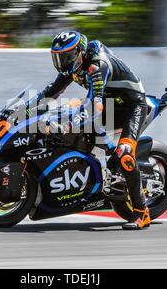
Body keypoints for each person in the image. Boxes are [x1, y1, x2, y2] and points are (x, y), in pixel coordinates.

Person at [35, 30, 150, 230]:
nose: (62, 62)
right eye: (58, 57)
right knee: (64, 114)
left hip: (132, 105)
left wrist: (69, 125)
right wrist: (24, 110)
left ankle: (142, 212)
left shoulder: (98, 65)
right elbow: (50, 93)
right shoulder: (71, 68)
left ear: (79, 52)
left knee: (124, 154)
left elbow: (94, 105)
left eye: (66, 56)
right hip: (111, 103)